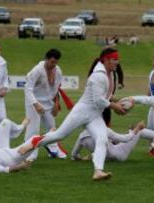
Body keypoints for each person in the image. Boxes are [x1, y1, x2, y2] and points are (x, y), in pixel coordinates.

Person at [33, 47, 126, 181]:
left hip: (94, 115)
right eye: (114, 59)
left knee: (102, 139)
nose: (117, 62)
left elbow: (104, 96)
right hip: (82, 112)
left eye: (117, 60)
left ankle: (98, 171)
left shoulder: (110, 74)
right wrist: (114, 106)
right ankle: (29, 145)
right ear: (105, 60)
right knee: (59, 135)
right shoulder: (98, 76)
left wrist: (117, 101)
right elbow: (98, 100)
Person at [24, 48, 67, 161]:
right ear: (46, 59)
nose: (54, 65)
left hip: (48, 102)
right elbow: (27, 88)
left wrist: (56, 103)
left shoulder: (58, 71)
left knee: (51, 127)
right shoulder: (37, 70)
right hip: (33, 101)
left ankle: (53, 149)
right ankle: (30, 153)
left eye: (56, 62)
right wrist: (35, 104)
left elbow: (57, 88)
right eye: (52, 62)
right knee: (33, 129)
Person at [71, 121, 154, 162]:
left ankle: (92, 156)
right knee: (139, 131)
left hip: (107, 156)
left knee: (131, 131)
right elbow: (126, 139)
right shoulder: (104, 130)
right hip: (119, 155)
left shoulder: (81, 137)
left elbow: (74, 155)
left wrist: (80, 159)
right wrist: (138, 127)